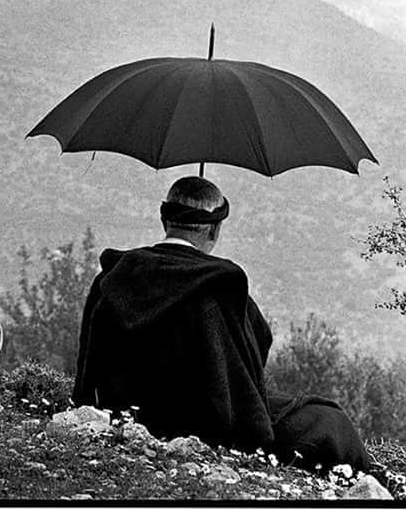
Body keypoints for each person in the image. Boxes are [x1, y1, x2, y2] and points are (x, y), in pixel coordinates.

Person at [73, 176, 370, 471]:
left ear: (165, 220)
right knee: (329, 421)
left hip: (128, 418)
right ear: (214, 230)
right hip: (205, 428)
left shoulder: (111, 278)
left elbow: (88, 368)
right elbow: (252, 359)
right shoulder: (220, 286)